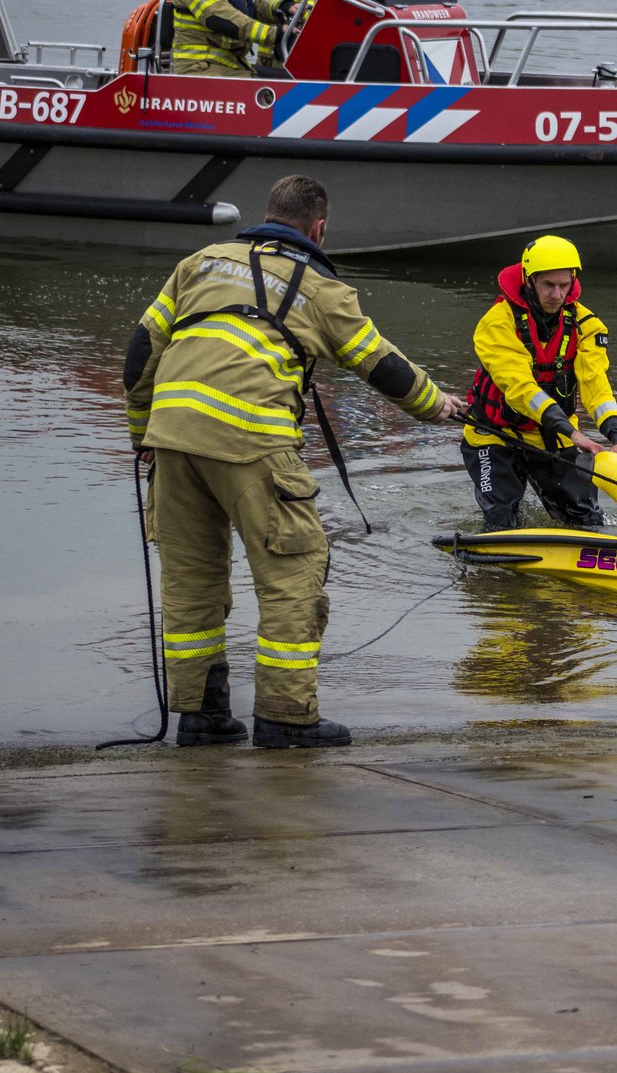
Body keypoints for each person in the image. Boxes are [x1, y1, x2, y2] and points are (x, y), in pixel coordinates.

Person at [124, 174, 466, 748]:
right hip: (253, 442)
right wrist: (439, 408)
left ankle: (202, 717)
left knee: (191, 581)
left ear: (268, 213)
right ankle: (286, 717)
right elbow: (381, 365)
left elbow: (139, 357)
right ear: (319, 228)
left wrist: (144, 439)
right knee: (292, 576)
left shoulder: (201, 262)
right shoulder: (322, 289)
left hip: (173, 439)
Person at [460, 235, 617, 531]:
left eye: (564, 286)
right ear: (529, 280)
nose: (556, 294)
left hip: (551, 437)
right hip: (493, 435)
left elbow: (595, 384)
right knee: (501, 521)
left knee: (586, 518)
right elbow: (520, 390)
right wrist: (573, 432)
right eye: (548, 285)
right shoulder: (496, 323)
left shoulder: (586, 324)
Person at [171, 0, 294, 77]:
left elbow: (251, 8)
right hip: (200, 70)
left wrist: (284, 7)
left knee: (291, 84)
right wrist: (274, 34)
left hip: (231, 66)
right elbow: (221, 17)